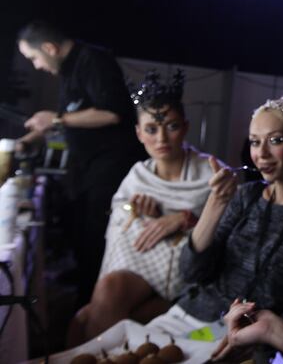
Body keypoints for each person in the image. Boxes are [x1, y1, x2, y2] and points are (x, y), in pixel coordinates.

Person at [133, 96, 283, 357]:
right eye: (255, 142)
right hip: (189, 315)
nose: (261, 154)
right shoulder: (246, 195)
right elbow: (191, 271)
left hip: (246, 336)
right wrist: (216, 203)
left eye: (276, 140)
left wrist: (255, 337)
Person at [67, 70, 214, 345]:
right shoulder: (138, 175)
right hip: (138, 262)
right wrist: (135, 211)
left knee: (94, 311)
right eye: (151, 129)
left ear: (185, 126)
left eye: (171, 126)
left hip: (189, 271)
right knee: (91, 309)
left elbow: (231, 226)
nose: (161, 138)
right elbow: (119, 216)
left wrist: (185, 219)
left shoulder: (211, 172)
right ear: (138, 133)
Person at [16, 20, 143, 305]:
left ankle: (91, 307)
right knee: (80, 234)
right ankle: (83, 292)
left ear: (49, 48)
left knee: (95, 238)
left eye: (34, 57)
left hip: (111, 168)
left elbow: (112, 113)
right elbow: (74, 117)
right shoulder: (69, 69)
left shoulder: (93, 61)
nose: (36, 65)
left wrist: (57, 119)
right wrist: (35, 134)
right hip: (87, 169)